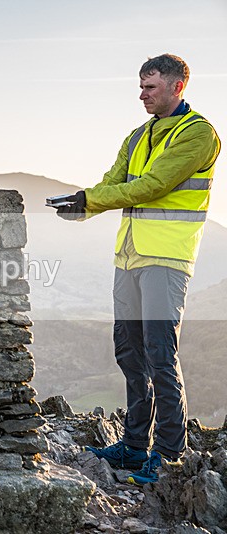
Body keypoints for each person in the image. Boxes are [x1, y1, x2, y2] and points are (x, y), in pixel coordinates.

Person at [52, 54, 221, 485]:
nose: (141, 95)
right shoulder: (139, 134)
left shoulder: (198, 134)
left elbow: (153, 186)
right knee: (129, 352)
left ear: (177, 86)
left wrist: (91, 201)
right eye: (140, 87)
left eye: (150, 87)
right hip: (128, 257)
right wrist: (81, 206)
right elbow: (114, 180)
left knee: (161, 355)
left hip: (166, 258)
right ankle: (132, 446)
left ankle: (168, 456)